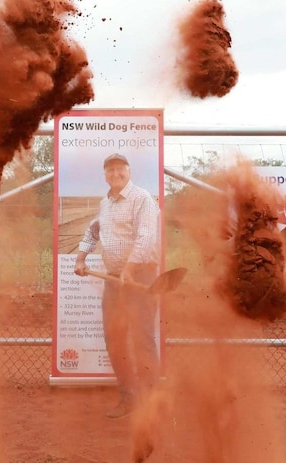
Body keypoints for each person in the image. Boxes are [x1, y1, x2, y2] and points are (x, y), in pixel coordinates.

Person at [73, 153, 161, 419]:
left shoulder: (142, 199)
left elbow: (146, 237)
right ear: (105, 175)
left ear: (129, 171)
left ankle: (150, 402)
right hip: (114, 280)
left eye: (120, 169)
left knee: (142, 339)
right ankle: (128, 398)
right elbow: (93, 230)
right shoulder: (106, 204)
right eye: (110, 170)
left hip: (140, 278)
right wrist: (81, 257)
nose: (115, 174)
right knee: (115, 340)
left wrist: (130, 269)